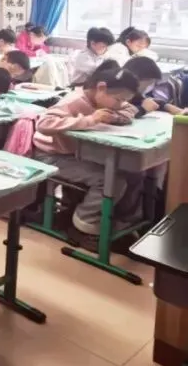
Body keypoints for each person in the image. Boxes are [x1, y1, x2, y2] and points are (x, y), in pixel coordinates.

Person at [33, 63, 140, 241]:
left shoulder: (105, 100)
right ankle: (85, 220)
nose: (120, 104)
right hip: (51, 156)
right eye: (118, 99)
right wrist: (90, 120)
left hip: (77, 154)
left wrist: (112, 117)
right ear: (101, 88)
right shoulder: (74, 101)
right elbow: (44, 124)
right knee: (111, 180)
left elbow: (130, 109)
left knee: (130, 171)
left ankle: (117, 218)